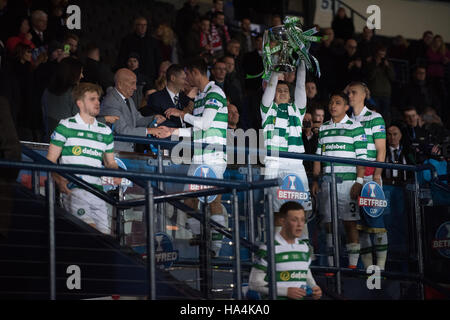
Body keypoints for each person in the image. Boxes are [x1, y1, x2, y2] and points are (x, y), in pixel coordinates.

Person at [165, 58, 228, 257]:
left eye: (187, 74)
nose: (186, 78)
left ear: (195, 72)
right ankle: (202, 238)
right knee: (189, 201)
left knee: (213, 200)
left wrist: (181, 114)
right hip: (199, 156)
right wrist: (171, 132)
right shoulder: (201, 97)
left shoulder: (215, 93)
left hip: (215, 156)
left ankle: (215, 248)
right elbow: (196, 130)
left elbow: (205, 123)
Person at [46, 83, 121, 235]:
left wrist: (116, 173)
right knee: (90, 234)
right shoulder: (65, 126)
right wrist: (59, 180)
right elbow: (50, 160)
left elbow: (110, 162)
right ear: (80, 103)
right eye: (92, 99)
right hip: (75, 189)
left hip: (98, 192)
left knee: (104, 239)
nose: (97, 102)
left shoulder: (105, 130)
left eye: (98, 99)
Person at [311, 92, 368, 269]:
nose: (333, 106)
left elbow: (362, 158)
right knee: (328, 225)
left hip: (349, 183)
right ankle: (331, 266)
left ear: (346, 107)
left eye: (338, 102)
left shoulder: (356, 127)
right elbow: (318, 158)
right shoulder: (324, 128)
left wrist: (359, 181)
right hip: (328, 183)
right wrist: (315, 180)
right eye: (331, 102)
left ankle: (352, 266)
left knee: (350, 223)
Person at [260, 61, 312, 241]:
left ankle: (303, 251)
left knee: (300, 213)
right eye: (278, 91)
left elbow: (300, 86)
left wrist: (302, 63)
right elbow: (271, 85)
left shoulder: (297, 110)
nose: (282, 92)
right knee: (276, 213)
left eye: (285, 91)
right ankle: (277, 253)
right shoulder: (267, 110)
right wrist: (276, 68)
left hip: (296, 166)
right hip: (274, 165)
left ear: (290, 96)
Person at [347, 82, 388, 271]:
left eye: (354, 92)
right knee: (359, 227)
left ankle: (379, 270)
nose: (350, 95)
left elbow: (381, 149)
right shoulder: (345, 120)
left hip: (371, 179)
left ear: (364, 95)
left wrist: (378, 175)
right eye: (349, 93)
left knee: (376, 224)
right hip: (352, 179)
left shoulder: (375, 117)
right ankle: (367, 270)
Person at [249, 202, 322, 300]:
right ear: (282, 221)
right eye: (294, 220)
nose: (300, 225)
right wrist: (285, 292)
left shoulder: (304, 248)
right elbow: (254, 284)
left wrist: (314, 286)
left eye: (302, 220)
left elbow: (305, 271)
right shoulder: (267, 248)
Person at [100, 68, 171, 152]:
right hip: (115, 154)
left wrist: (153, 118)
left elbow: (137, 120)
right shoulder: (111, 102)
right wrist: (150, 131)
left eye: (135, 83)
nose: (135, 88)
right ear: (120, 84)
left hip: (127, 151)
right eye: (132, 83)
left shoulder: (128, 98)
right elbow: (123, 131)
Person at [142, 64, 193, 128]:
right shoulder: (155, 98)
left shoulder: (188, 100)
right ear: (173, 78)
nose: (187, 82)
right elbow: (155, 122)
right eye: (183, 79)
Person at [116, 17, 162, 85]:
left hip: (150, 75)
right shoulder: (128, 40)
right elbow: (122, 58)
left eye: (145, 25)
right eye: (140, 25)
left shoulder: (153, 41)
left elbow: (158, 59)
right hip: (132, 74)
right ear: (135, 26)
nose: (143, 27)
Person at [365, 44, 395, 122]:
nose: (381, 55)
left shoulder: (388, 64)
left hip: (386, 94)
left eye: (383, 53)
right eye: (380, 53)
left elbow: (393, 77)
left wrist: (387, 66)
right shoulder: (371, 63)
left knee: (385, 115)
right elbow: (370, 76)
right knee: (374, 114)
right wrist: (376, 65)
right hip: (374, 93)